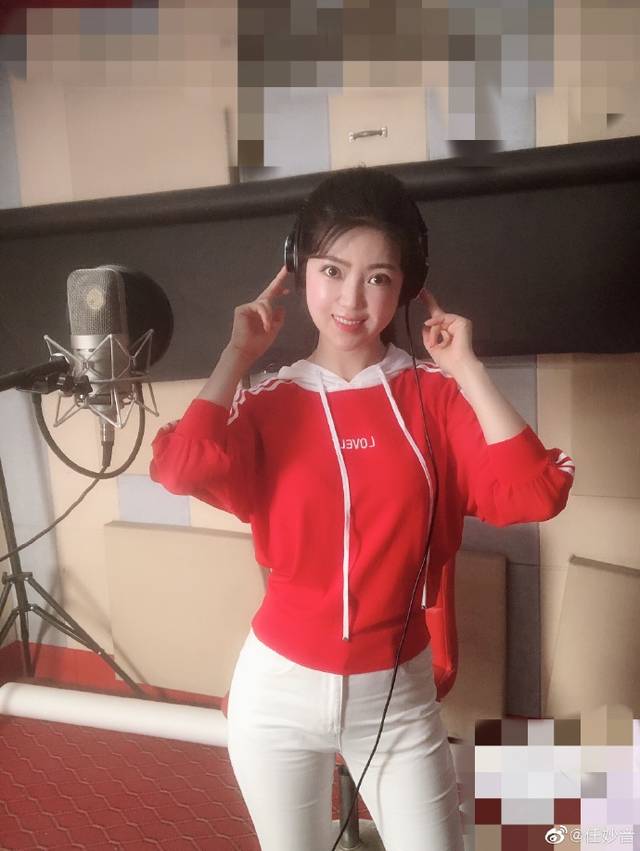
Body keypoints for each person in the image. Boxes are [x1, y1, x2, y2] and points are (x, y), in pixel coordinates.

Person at [149, 166, 575, 851]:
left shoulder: (434, 398)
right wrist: (236, 353)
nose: (351, 300)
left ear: (406, 285)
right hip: (276, 695)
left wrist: (467, 369)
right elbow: (181, 468)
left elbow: (537, 491)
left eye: (378, 277)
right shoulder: (269, 403)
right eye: (332, 270)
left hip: (398, 699)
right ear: (300, 273)